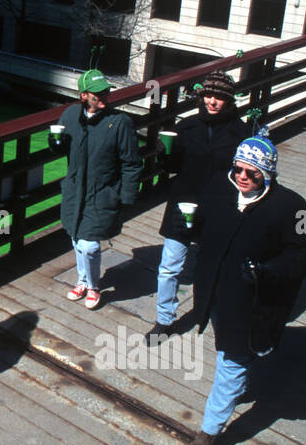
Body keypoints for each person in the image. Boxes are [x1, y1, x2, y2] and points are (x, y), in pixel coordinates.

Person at [187, 135, 306, 445]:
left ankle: (209, 431)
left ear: (269, 175)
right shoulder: (220, 188)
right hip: (214, 294)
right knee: (227, 351)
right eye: (238, 168)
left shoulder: (293, 207)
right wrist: (187, 226)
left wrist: (269, 270)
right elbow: (201, 223)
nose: (243, 177)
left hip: (254, 301)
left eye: (253, 172)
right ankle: (237, 378)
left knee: (232, 362)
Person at [151, 70, 247, 338]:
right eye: (208, 95)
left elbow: (246, 175)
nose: (212, 102)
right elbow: (171, 168)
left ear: (229, 100)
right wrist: (164, 152)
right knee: (170, 266)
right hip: (183, 205)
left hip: (219, 208)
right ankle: (164, 321)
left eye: (218, 97)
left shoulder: (240, 132)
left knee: (212, 266)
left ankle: (205, 312)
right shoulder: (187, 127)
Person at [49, 69, 144, 310]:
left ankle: (93, 286)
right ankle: (82, 280)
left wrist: (126, 196)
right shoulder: (69, 115)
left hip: (103, 192)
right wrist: (54, 143)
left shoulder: (120, 123)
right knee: (75, 239)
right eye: (97, 93)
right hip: (73, 190)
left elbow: (132, 164)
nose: (103, 96)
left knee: (90, 245)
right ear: (83, 95)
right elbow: (60, 150)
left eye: (105, 91)